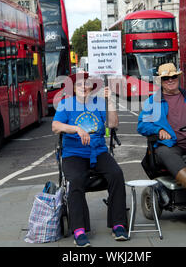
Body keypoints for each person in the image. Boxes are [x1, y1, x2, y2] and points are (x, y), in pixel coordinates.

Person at [52, 73, 128, 247]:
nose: (84, 86)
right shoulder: (66, 104)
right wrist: (76, 129)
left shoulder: (99, 103)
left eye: (87, 84)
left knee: (116, 174)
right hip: (74, 153)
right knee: (76, 179)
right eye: (80, 84)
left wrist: (110, 101)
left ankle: (118, 224)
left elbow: (113, 124)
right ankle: (79, 230)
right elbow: (55, 126)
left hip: (98, 151)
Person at [137, 63, 186, 196]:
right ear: (161, 81)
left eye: (173, 77)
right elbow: (141, 125)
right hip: (172, 144)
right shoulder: (153, 102)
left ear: (178, 77)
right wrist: (158, 130)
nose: (170, 80)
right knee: (164, 152)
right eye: (166, 78)